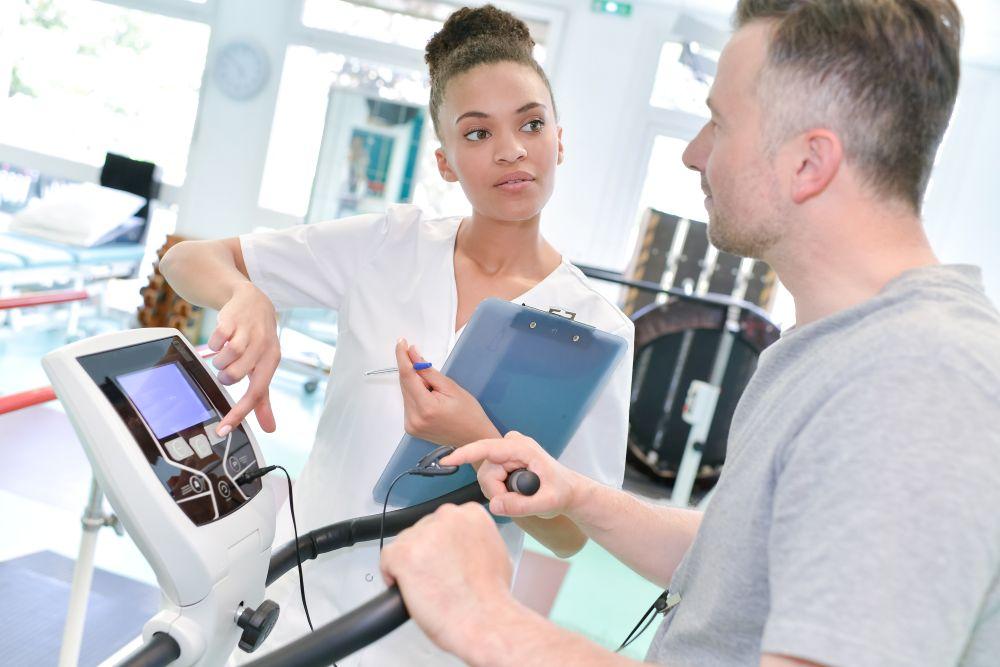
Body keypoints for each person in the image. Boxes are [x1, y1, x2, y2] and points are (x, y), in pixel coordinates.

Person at [380, 1, 1000, 665]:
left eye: (719, 122)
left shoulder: (919, 381)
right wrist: (580, 495)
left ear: (807, 162)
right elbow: (738, 560)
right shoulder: (824, 351)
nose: (691, 153)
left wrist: (483, 615)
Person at [159, 5, 634, 664]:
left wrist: (479, 437)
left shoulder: (598, 328)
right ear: (443, 161)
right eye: (477, 133)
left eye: (531, 123)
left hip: (437, 641)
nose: (510, 150)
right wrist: (248, 293)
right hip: (299, 609)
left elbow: (570, 533)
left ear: (560, 138)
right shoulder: (387, 245)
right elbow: (185, 259)